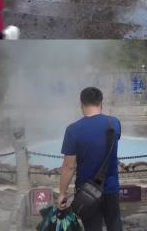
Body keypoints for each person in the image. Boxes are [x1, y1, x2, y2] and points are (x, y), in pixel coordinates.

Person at [58, 87, 122, 231]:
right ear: (101, 103)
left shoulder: (73, 130)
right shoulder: (114, 123)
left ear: (81, 104)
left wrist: (62, 193)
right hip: (111, 187)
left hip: (86, 191)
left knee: (92, 227)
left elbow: (69, 166)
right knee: (115, 224)